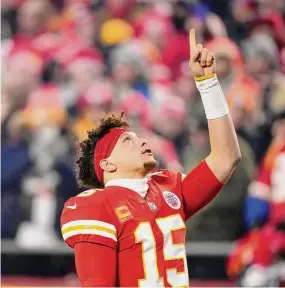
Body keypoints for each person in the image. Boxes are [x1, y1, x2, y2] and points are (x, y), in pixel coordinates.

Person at [60, 29, 241, 287]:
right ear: (107, 164)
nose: (142, 141)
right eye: (127, 141)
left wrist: (208, 83)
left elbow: (226, 157)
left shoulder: (168, 189)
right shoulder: (96, 206)